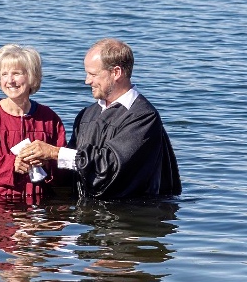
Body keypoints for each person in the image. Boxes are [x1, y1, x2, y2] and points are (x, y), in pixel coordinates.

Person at [21, 38, 181, 200]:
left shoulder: (143, 117)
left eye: (93, 74)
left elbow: (111, 165)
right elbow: (74, 167)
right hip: (88, 214)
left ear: (116, 73)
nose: (87, 80)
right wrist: (45, 163)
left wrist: (54, 152)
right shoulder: (87, 114)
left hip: (129, 214)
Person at [0, 44, 67, 198]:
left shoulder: (49, 119)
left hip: (35, 207)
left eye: (16, 73)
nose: (10, 80)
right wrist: (10, 165)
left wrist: (47, 162)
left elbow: (64, 171)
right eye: (4, 74)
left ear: (31, 76)